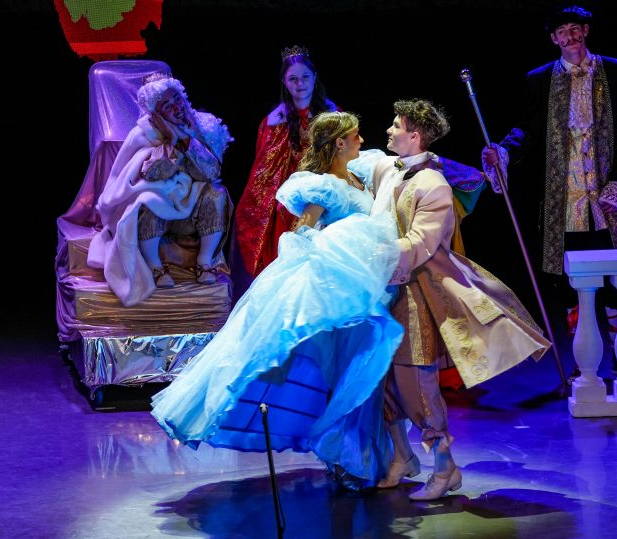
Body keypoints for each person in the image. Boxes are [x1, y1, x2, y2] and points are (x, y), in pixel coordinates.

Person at [151, 112, 404, 489]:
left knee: (357, 369)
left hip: (359, 287)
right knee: (334, 370)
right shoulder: (325, 186)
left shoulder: (360, 175)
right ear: (339, 142)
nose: (361, 140)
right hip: (333, 287)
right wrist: (328, 247)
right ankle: (350, 458)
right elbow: (303, 229)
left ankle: (362, 459)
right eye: (355, 135)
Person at [370, 99, 551, 500]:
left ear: (415, 135)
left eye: (396, 125)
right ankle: (403, 457)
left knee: (417, 383)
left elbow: (421, 243)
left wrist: (371, 251)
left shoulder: (433, 184)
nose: (389, 131)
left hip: (417, 297)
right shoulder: (391, 171)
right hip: (385, 293)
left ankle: (444, 468)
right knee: (382, 379)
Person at [481, 5, 617, 359]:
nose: (570, 37)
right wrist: (503, 151)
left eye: (575, 28)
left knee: (615, 278)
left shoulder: (616, 72)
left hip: (606, 197)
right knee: (569, 282)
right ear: (554, 39)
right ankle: (584, 362)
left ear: (586, 31)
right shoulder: (539, 79)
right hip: (564, 200)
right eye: (562, 32)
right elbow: (528, 129)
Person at [87, 73, 234, 306]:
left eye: (176, 99)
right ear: (156, 113)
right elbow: (151, 176)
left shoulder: (204, 126)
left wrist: (186, 141)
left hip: (192, 211)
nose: (176, 107)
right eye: (166, 105)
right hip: (160, 214)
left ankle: (205, 262)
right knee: (148, 197)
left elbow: (211, 172)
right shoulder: (144, 134)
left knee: (217, 193)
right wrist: (171, 144)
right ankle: (155, 267)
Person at [229, 46, 338, 300]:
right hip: (287, 189)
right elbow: (264, 170)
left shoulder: (332, 115)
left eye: (305, 77)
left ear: (314, 78)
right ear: (285, 83)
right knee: (282, 209)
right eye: (293, 79)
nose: (300, 84)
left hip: (324, 184)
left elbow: (342, 156)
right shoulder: (274, 121)